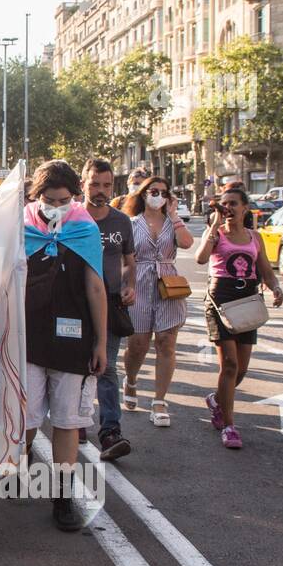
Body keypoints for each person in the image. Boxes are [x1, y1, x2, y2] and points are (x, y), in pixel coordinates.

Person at [21, 160, 106, 531]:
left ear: (75, 197)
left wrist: (101, 342)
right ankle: (14, 466)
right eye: (49, 199)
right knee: (23, 416)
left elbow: (96, 286)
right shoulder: (19, 227)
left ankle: (62, 495)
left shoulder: (84, 228)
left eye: (64, 199)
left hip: (73, 342)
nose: (56, 206)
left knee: (67, 421)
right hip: (27, 339)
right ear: (35, 196)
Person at [196, 187, 283, 449]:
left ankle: (217, 399)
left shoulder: (254, 237)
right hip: (220, 302)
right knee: (230, 365)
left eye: (234, 204)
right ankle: (229, 426)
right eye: (224, 204)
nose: (229, 209)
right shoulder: (216, 234)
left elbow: (266, 271)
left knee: (242, 369)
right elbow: (201, 258)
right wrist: (213, 226)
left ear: (245, 207)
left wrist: (276, 287)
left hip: (247, 302)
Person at [121, 176, 194, 426]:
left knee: (166, 343)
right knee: (138, 344)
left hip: (167, 284)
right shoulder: (131, 223)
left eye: (164, 192)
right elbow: (124, 257)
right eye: (154, 191)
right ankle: (130, 380)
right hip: (138, 282)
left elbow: (186, 243)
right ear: (143, 194)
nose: (159, 196)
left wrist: (173, 215)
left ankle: (159, 400)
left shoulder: (172, 222)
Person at [81, 158, 135, 460]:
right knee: (75, 368)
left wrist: (131, 285)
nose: (100, 191)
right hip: (75, 306)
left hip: (111, 306)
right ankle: (74, 422)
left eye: (106, 185)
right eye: (94, 184)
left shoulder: (121, 221)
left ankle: (110, 432)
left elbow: (130, 262)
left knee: (108, 368)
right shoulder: (73, 218)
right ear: (83, 183)